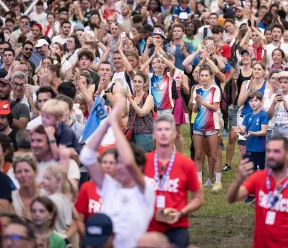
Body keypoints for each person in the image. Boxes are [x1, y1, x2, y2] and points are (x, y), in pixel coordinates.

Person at [80, 98, 155, 248]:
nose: (119, 167)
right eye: (117, 163)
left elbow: (128, 162)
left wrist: (114, 123)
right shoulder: (109, 185)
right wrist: (105, 125)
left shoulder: (146, 187)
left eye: (121, 163)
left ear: (138, 168)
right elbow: (86, 157)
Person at [226, 136, 288, 248]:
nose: (271, 155)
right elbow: (231, 199)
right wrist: (238, 180)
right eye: (269, 151)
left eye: (276, 151)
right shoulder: (258, 178)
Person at [145, 115, 204, 247]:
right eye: (160, 130)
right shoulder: (144, 162)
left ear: (175, 133)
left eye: (167, 129)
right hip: (148, 227)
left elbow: (198, 198)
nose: (164, 133)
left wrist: (181, 213)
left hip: (177, 226)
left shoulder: (186, 164)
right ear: (154, 134)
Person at [192, 65, 222, 191]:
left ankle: (218, 182)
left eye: (206, 75)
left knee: (214, 154)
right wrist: (197, 103)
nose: (203, 78)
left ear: (211, 76)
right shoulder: (196, 90)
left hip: (211, 125)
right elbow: (194, 109)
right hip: (198, 125)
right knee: (198, 154)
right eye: (201, 75)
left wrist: (202, 102)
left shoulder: (215, 89)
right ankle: (198, 182)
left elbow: (215, 107)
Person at [75, 148, 117, 236]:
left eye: (111, 163)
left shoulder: (123, 189)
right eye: (104, 162)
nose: (107, 166)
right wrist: (88, 240)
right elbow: (79, 220)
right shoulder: (87, 187)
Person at [126, 72, 155, 152]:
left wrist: (130, 100)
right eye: (135, 81)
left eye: (139, 82)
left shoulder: (149, 97)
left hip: (145, 134)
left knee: (144, 160)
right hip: (131, 133)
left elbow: (141, 113)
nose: (136, 84)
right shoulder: (131, 98)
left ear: (145, 83)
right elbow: (125, 113)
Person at [11, 154, 41, 221]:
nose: (23, 175)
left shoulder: (46, 195)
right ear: (15, 175)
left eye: (26, 171)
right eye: (19, 172)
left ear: (36, 172)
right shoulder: (10, 198)